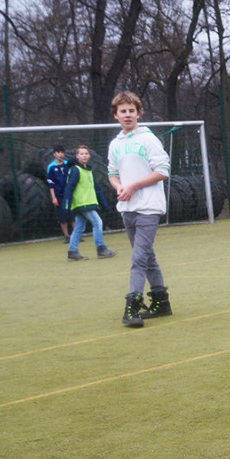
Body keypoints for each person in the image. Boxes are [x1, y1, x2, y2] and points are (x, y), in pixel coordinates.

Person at [107, 91, 173, 328]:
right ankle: (161, 301)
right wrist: (120, 187)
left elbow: (163, 171)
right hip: (128, 208)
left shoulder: (148, 139)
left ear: (138, 113)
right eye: (123, 111)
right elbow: (112, 173)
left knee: (138, 258)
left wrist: (134, 186)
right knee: (147, 256)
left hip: (148, 207)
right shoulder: (115, 144)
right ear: (115, 115)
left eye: (131, 111)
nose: (127, 115)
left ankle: (132, 305)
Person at [64, 145, 117, 261]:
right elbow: (69, 187)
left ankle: (72, 252)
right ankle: (101, 249)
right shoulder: (75, 170)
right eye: (81, 154)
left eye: (86, 154)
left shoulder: (88, 170)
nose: (84, 156)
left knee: (79, 227)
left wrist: (104, 204)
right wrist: (66, 205)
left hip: (87, 203)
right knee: (98, 223)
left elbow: (97, 189)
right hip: (82, 203)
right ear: (77, 156)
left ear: (89, 156)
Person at [47, 145, 73, 243]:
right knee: (62, 216)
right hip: (59, 195)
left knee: (72, 214)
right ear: (54, 154)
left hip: (69, 194)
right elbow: (51, 184)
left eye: (62, 152)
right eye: (58, 152)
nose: (60, 154)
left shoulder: (68, 165)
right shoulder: (51, 167)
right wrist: (53, 197)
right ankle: (66, 236)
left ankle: (76, 235)